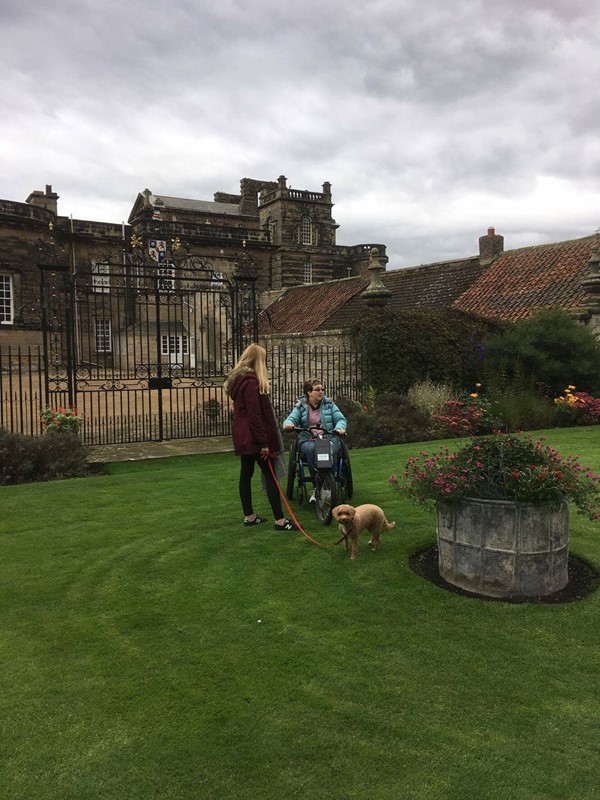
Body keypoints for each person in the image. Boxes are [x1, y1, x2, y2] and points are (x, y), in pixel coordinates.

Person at [224, 344, 297, 531]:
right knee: (271, 476)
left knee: (246, 475)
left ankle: (249, 516)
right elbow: (255, 416)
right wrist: (264, 443)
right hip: (254, 438)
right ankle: (280, 520)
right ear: (258, 360)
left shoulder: (238, 381)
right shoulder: (251, 382)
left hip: (243, 435)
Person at [283, 379, 347, 502]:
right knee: (313, 450)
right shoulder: (301, 406)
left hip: (328, 437)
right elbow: (290, 419)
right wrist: (289, 424)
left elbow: (341, 419)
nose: (321, 392)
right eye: (317, 389)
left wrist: (339, 428)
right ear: (309, 392)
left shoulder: (329, 405)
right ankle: (317, 487)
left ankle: (328, 487)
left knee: (330, 450)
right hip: (309, 439)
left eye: (322, 389)